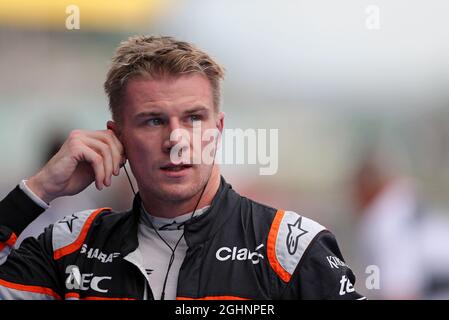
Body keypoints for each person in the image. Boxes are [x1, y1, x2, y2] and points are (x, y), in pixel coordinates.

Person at [0, 36, 365, 300]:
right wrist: (39, 189)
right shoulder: (71, 246)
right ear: (118, 137)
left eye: (193, 118)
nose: (176, 139)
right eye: (153, 121)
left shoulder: (290, 248)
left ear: (217, 130)